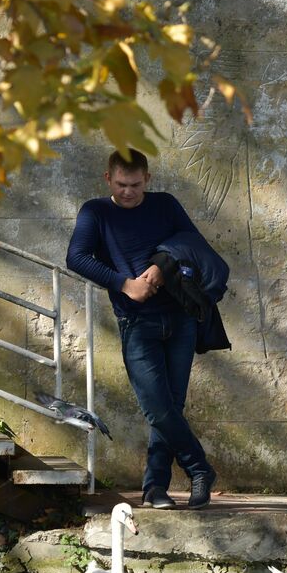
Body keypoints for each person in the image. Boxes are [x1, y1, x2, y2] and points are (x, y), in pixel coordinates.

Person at [65, 149, 218, 510]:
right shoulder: (96, 212)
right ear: (108, 179)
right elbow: (76, 256)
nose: (128, 192)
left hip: (180, 318)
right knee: (157, 408)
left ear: (147, 180)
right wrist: (124, 284)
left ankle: (154, 489)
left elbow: (192, 243)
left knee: (172, 406)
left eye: (135, 185)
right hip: (136, 321)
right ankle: (199, 468)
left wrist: (161, 269)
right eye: (121, 185)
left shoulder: (165, 204)